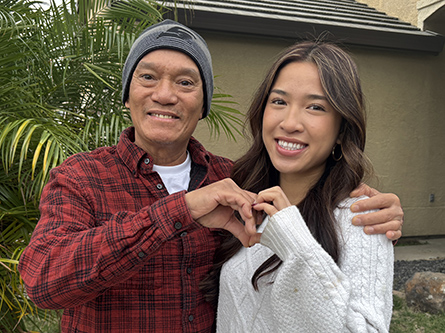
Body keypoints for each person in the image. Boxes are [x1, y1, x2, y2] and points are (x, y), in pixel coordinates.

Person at [18, 20, 401, 333]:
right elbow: (42, 281)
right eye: (148, 77)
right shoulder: (81, 177)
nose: (165, 95)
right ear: (127, 93)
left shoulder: (232, 182)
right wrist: (177, 211)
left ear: (204, 103)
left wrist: (368, 207)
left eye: (186, 82)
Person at [199, 41, 394, 332]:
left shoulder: (360, 222)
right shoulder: (241, 201)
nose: (290, 123)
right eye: (279, 101)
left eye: (315, 107)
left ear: (342, 130)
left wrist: (294, 240)